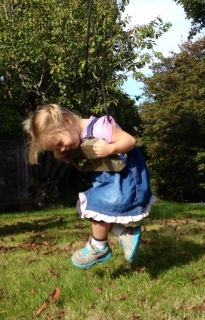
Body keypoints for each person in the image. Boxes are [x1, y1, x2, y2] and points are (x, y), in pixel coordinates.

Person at [24, 104, 155, 268]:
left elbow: (130, 141)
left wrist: (111, 148)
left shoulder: (100, 127)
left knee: (95, 206)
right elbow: (71, 155)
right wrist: (61, 155)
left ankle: (99, 246)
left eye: (60, 143)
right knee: (87, 206)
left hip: (126, 181)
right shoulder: (77, 136)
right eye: (56, 148)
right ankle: (125, 234)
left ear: (67, 120)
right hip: (109, 183)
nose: (62, 148)